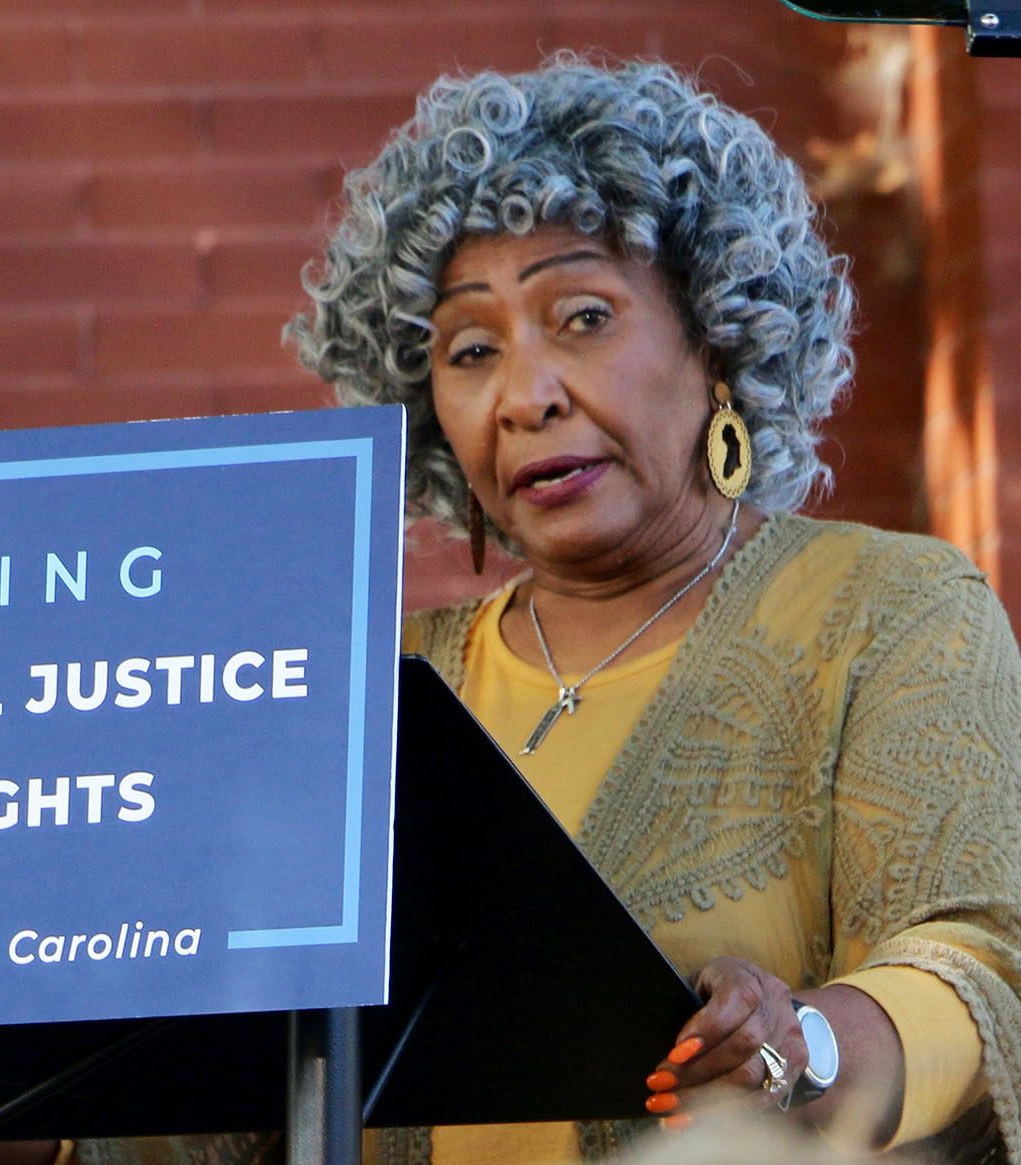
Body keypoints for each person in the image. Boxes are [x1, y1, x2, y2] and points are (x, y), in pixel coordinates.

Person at [265, 53, 1021, 1163]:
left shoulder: (885, 612)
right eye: (471, 350)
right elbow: (218, 1089)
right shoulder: (372, 694)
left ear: (715, 335)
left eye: (580, 317)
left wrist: (801, 1038)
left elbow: (982, 961)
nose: (524, 395)